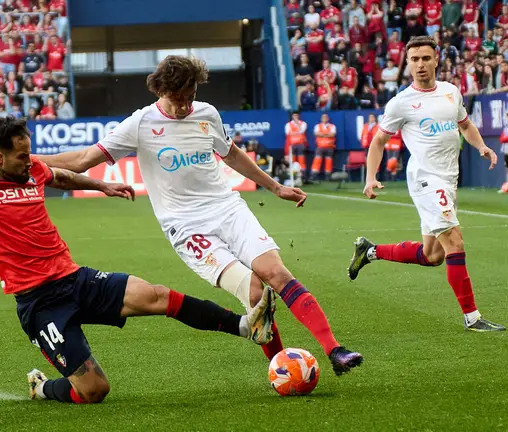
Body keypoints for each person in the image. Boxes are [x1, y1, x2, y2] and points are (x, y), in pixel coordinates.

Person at [0, 116, 276, 404]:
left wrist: (101, 185)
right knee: (95, 391)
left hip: (75, 278)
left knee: (155, 294)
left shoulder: (34, 172)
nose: (32, 162)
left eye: (31, 153)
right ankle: (42, 389)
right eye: (22, 156)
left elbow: (61, 176)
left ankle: (245, 326)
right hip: (39, 304)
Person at [38, 55, 363, 375]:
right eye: (177, 99)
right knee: (254, 291)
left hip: (227, 208)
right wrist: (28, 161)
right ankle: (280, 367)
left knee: (276, 273)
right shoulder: (140, 124)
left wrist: (276, 187)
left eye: (189, 97)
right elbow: (82, 159)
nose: (183, 106)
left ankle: (335, 349)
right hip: (186, 227)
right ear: (159, 90)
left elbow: (231, 154)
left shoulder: (207, 114)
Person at [349, 36, 504, 332]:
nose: (420, 64)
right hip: (425, 180)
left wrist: (481, 147)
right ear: (408, 64)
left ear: (436, 60)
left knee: (433, 255)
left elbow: (465, 125)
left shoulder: (450, 92)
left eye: (425, 58)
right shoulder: (401, 103)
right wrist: (370, 178)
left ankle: (370, 251)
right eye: (414, 59)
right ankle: (472, 317)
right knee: (455, 242)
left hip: (448, 179)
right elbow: (378, 141)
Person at [311, 113, 337, 180]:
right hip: (320, 146)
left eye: (326, 117)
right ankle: (314, 175)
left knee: (329, 161)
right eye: (323, 117)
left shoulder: (332, 126)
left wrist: (322, 134)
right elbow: (316, 133)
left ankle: (328, 176)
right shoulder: (317, 126)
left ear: (328, 118)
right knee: (317, 160)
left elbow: (333, 134)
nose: (324, 119)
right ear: (321, 119)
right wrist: (327, 134)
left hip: (329, 146)